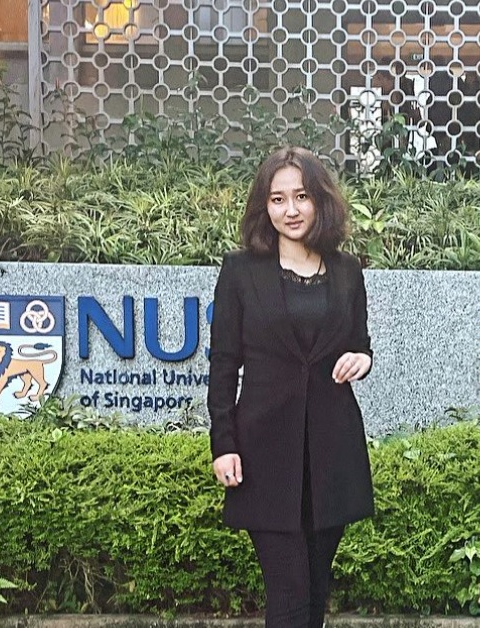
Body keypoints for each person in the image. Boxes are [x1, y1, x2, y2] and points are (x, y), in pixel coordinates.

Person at [207, 146, 375, 628]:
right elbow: (224, 364)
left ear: (321, 201)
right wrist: (223, 444)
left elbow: (360, 343)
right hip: (263, 454)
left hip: (331, 453)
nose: (291, 210)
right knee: (289, 592)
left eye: (301, 196)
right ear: (265, 207)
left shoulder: (346, 271)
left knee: (316, 591)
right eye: (278, 199)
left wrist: (362, 360)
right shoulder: (241, 271)